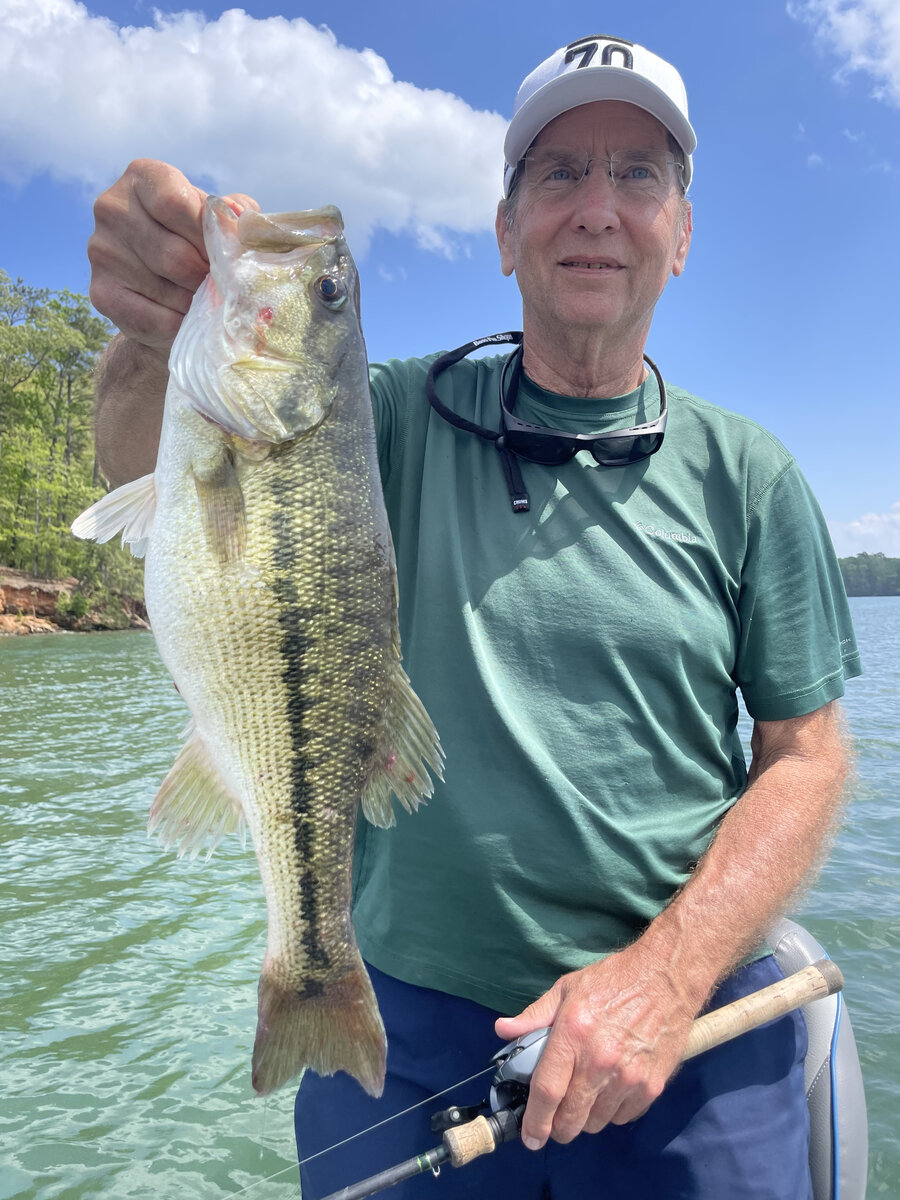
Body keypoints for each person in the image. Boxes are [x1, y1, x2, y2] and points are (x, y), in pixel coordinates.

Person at [87, 34, 860, 1200]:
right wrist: (149, 332)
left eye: (639, 174)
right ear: (504, 234)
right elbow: (144, 465)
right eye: (557, 174)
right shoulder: (380, 414)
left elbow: (806, 760)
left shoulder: (753, 478)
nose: (597, 207)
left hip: (686, 1028)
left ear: (683, 235)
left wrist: (662, 979)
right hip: (403, 1036)